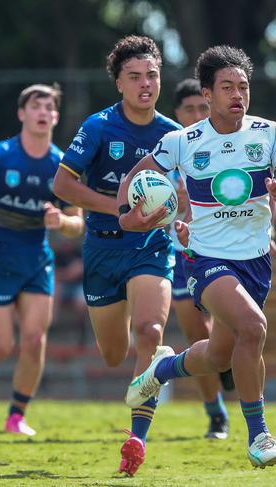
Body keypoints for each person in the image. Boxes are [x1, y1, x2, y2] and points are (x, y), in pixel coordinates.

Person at [117, 45, 276, 469]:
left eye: (243, 86)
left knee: (220, 355)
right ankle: (259, 436)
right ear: (208, 93)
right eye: (227, 86)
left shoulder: (270, 133)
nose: (237, 94)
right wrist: (131, 218)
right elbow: (134, 180)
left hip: (257, 261)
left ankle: (159, 372)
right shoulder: (182, 142)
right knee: (253, 326)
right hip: (206, 260)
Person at [53, 35, 181, 476]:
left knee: (151, 331)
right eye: (135, 77)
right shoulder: (100, 126)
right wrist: (122, 209)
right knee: (113, 353)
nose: (146, 84)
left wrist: (180, 217)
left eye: (152, 75)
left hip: (151, 248)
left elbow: (185, 192)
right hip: (103, 250)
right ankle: (133, 355)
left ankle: (136, 439)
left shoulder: (173, 135)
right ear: (120, 84)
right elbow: (63, 185)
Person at [0, 84, 83, 437]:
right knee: (1, 347)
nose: (43, 112)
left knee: (34, 338)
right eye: (36, 106)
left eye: (49, 107)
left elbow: (78, 222)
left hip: (37, 263)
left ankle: (16, 415)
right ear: (22, 114)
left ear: (55, 117)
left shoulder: (62, 165)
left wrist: (62, 222)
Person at [169, 78, 230, 439]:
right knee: (196, 334)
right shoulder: (169, 149)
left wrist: (269, 233)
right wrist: (171, 202)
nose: (196, 115)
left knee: (235, 333)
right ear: (176, 114)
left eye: (202, 108)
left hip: (225, 250)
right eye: (188, 109)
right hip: (181, 255)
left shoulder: (228, 145)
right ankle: (216, 414)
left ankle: (231, 376)